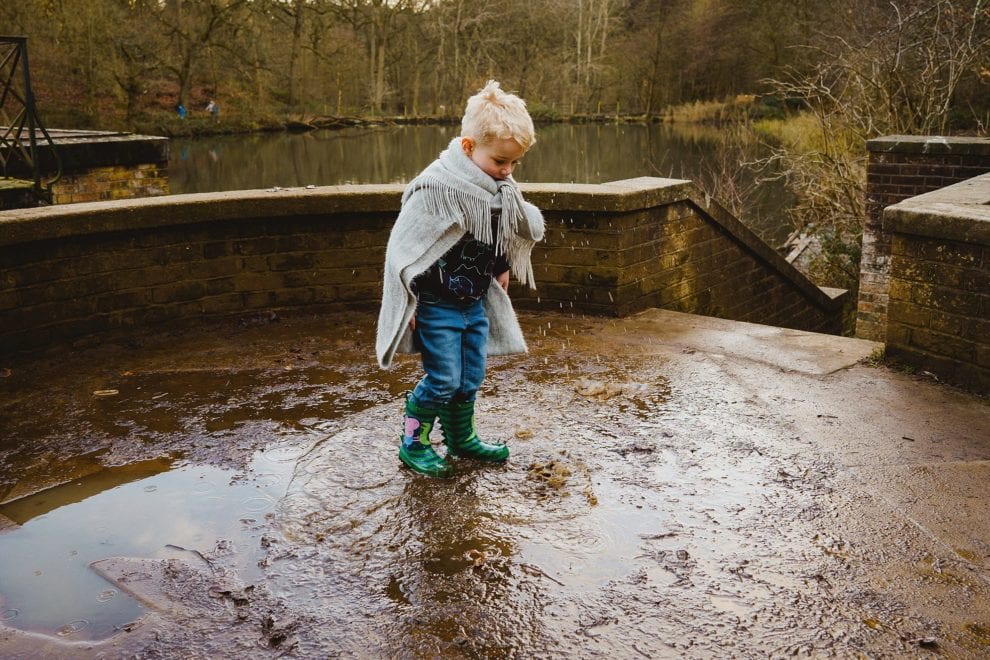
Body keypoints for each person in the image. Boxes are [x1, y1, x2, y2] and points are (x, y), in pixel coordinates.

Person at [376, 80, 544, 478]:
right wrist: (409, 298)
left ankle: (460, 438)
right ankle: (413, 442)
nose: (507, 171)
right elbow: (406, 249)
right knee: (444, 378)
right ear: (468, 148)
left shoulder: (498, 187)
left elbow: (497, 230)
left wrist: (501, 263)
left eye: (514, 163)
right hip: (436, 303)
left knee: (470, 376)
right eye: (500, 161)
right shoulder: (437, 188)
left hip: (473, 300)